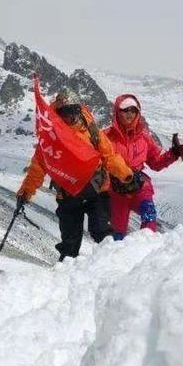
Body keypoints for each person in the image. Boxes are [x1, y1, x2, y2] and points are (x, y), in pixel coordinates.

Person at [16, 87, 136, 261]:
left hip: (97, 191)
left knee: (101, 231)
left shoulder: (91, 130)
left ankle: (116, 264)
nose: (70, 116)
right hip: (69, 196)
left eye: (74, 111)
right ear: (58, 114)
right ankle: (67, 277)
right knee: (70, 243)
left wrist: (126, 175)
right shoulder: (51, 137)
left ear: (79, 109)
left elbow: (109, 156)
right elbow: (38, 167)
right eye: (65, 113)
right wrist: (26, 192)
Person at [104, 94, 183, 239]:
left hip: (139, 186)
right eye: (125, 110)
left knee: (149, 215)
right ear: (117, 111)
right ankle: (119, 259)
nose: (129, 113)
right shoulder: (105, 137)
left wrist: (173, 154)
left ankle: (145, 248)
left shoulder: (143, 138)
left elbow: (155, 163)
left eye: (133, 110)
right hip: (115, 190)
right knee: (117, 233)